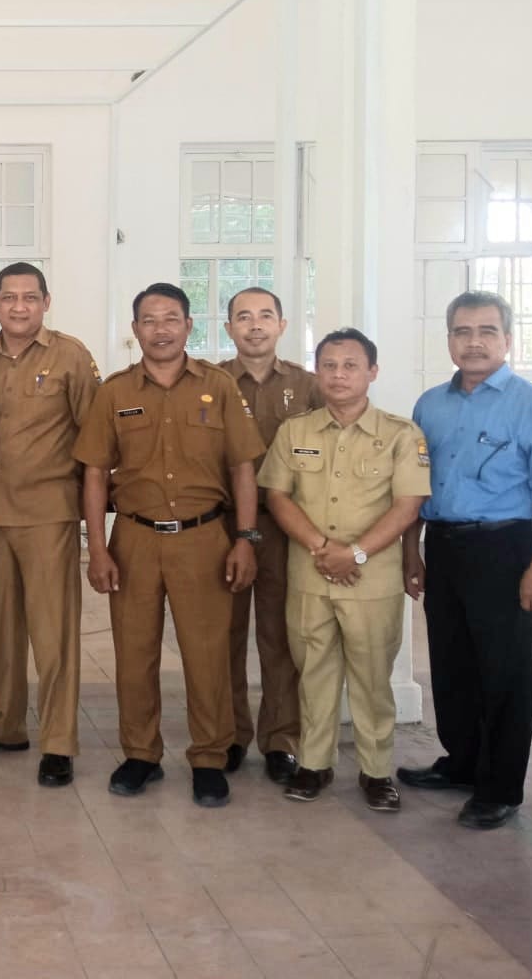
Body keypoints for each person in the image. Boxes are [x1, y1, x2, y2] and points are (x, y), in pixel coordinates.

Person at [73, 282, 265, 809]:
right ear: (134, 331)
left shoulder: (221, 386)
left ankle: (209, 756)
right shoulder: (114, 392)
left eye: (171, 318)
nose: (161, 329)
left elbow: (243, 468)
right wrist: (98, 548)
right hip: (133, 537)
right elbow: (93, 474)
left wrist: (245, 539)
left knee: (208, 655)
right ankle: (141, 754)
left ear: (188, 326)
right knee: (134, 654)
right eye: (149, 320)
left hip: (205, 537)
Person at [398, 292, 532, 830]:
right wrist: (412, 551)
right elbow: (414, 488)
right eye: (461, 331)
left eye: (486, 331)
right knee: (452, 665)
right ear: (448, 338)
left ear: (507, 340)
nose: (473, 342)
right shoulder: (430, 405)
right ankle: (462, 763)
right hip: (445, 547)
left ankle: (500, 787)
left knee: (505, 672)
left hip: (506, 549)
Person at [258, 328, 428, 810]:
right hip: (310, 577)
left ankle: (376, 772)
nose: (338, 374)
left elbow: (408, 506)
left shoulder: (401, 435)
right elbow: (277, 495)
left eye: (350, 365)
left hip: (370, 582)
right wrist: (322, 547)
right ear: (317, 372)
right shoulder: (296, 431)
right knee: (314, 673)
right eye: (329, 365)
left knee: (373, 679)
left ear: (372, 372)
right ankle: (314, 764)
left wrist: (353, 554)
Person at [0, 263, 98, 788]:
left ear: (46, 301)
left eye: (30, 297)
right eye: (9, 297)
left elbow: (94, 437)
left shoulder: (71, 356)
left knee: (53, 632)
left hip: (48, 514)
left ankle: (58, 741)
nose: (20, 306)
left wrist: (92, 514)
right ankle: (3, 724)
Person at [218, 287, 325, 784]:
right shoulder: (211, 382)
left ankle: (281, 738)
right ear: (228, 328)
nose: (254, 325)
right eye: (243, 317)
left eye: (265, 316)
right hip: (222, 526)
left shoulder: (310, 387)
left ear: (283, 325)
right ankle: (230, 734)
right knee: (224, 635)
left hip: (288, 527)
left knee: (281, 636)